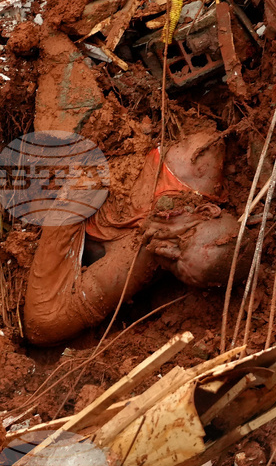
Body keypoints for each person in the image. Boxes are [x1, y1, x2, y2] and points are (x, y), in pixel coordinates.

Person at [23, 131, 242, 346]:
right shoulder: (194, 162)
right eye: (182, 241)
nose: (164, 250)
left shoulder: (137, 259)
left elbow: (43, 326)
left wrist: (69, 205)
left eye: (175, 267)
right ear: (206, 211)